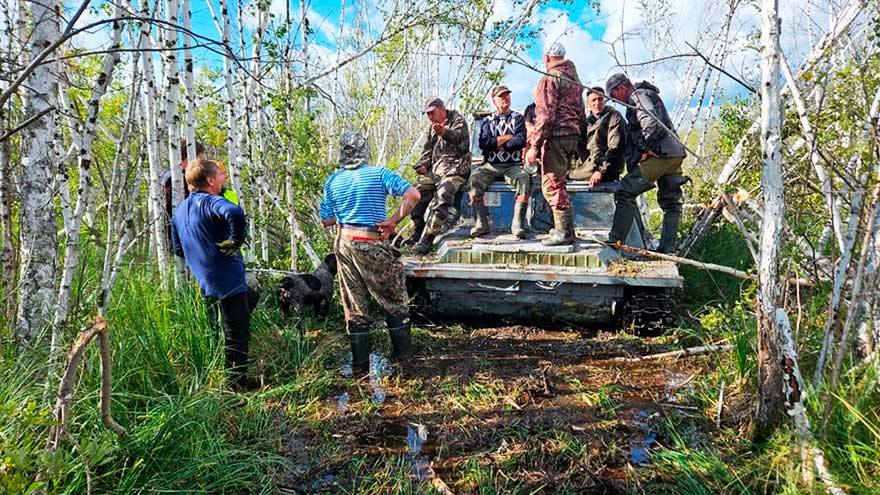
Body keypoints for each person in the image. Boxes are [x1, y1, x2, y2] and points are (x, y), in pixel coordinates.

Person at [320, 130, 421, 374]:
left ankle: (359, 368)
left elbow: (326, 220)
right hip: (371, 242)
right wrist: (394, 220)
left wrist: (349, 211)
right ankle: (402, 363)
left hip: (344, 244)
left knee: (354, 306)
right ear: (365, 151)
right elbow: (414, 195)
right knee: (395, 301)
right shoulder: (379, 174)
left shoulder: (333, 181)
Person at [171, 158, 253, 390]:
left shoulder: (179, 211)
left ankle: (227, 375)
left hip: (205, 281)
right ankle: (237, 385)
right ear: (209, 180)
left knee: (250, 301)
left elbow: (177, 248)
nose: (223, 178)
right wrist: (235, 241)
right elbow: (235, 213)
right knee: (237, 334)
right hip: (227, 279)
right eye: (220, 175)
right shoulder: (210, 202)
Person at [605, 73, 690, 253]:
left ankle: (615, 242)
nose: (616, 101)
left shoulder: (638, 95)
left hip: (660, 154)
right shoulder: (645, 94)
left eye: (613, 96)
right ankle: (667, 249)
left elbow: (650, 121)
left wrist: (645, 149)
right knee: (671, 203)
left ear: (621, 88)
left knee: (624, 191)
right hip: (674, 154)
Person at [525, 42, 585, 246]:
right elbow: (581, 112)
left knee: (552, 184)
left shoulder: (550, 79)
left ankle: (563, 233)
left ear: (546, 58)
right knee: (560, 183)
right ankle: (566, 229)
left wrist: (534, 145)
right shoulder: (575, 79)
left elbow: (546, 116)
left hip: (556, 137)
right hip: (572, 136)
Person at [407, 98, 471, 255]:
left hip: (455, 168)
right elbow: (427, 150)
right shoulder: (431, 128)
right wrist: (422, 165)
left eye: (432, 113)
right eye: (427, 114)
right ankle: (418, 230)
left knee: (443, 195)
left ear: (441, 109)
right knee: (415, 194)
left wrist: (444, 133)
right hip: (435, 169)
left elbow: (459, 138)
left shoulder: (457, 119)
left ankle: (428, 237)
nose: (430, 117)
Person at [471, 85, 530, 239]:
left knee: (524, 178)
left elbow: (520, 141)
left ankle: (518, 224)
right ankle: (481, 223)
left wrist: (497, 143)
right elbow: (484, 144)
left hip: (513, 165)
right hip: (491, 166)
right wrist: (507, 138)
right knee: (475, 178)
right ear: (494, 101)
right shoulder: (487, 121)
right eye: (501, 96)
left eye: (507, 95)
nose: (505, 98)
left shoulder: (518, 118)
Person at [570, 87, 626, 186]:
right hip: (590, 166)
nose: (597, 103)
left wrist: (601, 171)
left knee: (570, 176)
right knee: (565, 176)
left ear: (605, 100)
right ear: (588, 104)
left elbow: (615, 148)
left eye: (600, 99)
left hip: (607, 168)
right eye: (593, 100)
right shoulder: (586, 123)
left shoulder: (614, 117)